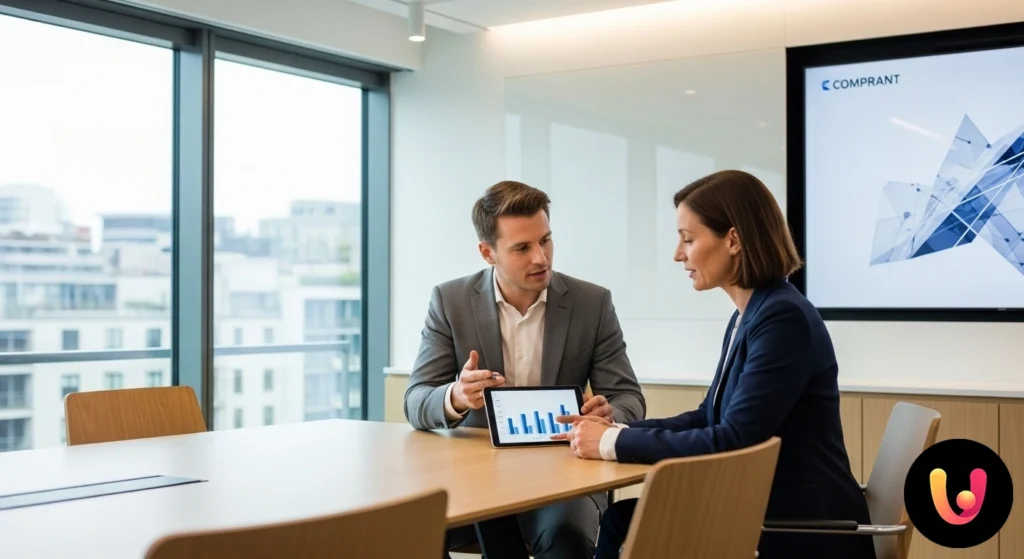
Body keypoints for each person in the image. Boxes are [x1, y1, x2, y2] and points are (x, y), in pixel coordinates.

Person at [556, 170, 875, 559]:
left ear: (734, 239)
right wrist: (618, 429)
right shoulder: (753, 313)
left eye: (688, 239)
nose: (678, 254)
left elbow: (733, 440)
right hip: (770, 509)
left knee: (626, 522)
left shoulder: (782, 319)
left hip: (799, 526)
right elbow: (709, 416)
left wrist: (611, 442)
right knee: (622, 518)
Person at [404, 180, 647, 559]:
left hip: (564, 476)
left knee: (568, 535)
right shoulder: (449, 302)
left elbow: (629, 397)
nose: (542, 258)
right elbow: (416, 400)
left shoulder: (592, 303)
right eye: (522, 248)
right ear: (488, 252)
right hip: (473, 480)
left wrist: (610, 414)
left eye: (545, 240)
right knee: (407, 533)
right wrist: (456, 396)